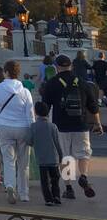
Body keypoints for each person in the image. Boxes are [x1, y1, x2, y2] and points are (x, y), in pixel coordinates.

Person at [40, 53, 102, 200]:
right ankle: (84, 176)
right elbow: (93, 106)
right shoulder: (82, 82)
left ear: (56, 67)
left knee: (65, 156)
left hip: (60, 126)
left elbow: (45, 107)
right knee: (84, 153)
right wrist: (98, 123)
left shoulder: (52, 83)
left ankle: (68, 188)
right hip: (81, 125)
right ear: (71, 66)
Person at [0, 59, 35, 204]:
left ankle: (10, 186)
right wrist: (31, 130)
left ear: (6, 72)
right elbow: (30, 114)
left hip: (4, 126)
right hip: (22, 128)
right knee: (24, 163)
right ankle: (24, 193)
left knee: (9, 160)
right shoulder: (25, 91)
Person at [30, 101, 64, 206]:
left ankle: (48, 199)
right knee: (55, 179)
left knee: (45, 181)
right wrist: (61, 156)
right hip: (53, 158)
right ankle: (57, 196)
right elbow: (58, 143)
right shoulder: (53, 126)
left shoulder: (33, 126)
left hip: (41, 159)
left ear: (35, 112)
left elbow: (29, 141)